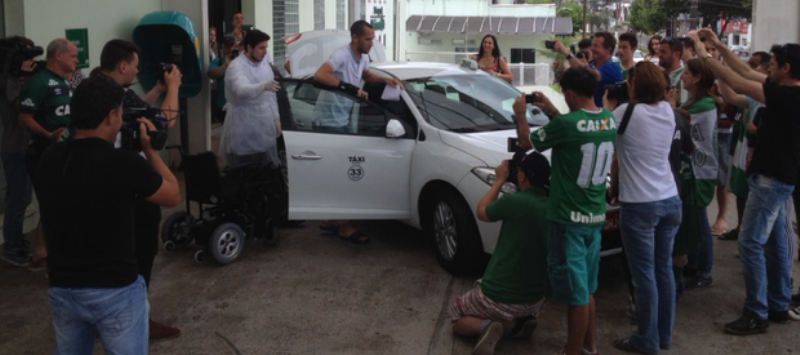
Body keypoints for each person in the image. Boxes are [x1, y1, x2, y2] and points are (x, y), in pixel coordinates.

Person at [38, 75, 180, 355]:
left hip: (63, 288)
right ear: (110, 117)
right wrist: (150, 151)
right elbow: (173, 195)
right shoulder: (125, 164)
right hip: (115, 288)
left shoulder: (50, 157)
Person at [689, 29, 800, 334]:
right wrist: (720, 46)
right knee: (775, 241)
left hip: (771, 180)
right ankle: (777, 303)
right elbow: (745, 72)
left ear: (786, 68)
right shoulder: (787, 90)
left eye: (773, 63)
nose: (767, 69)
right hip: (777, 178)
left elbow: (738, 82)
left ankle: (756, 312)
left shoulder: (787, 96)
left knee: (751, 243)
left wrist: (701, 51)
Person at [514, 66, 616, 355]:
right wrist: (552, 111)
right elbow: (576, 130)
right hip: (594, 216)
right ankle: (589, 347)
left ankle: (572, 351)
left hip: (568, 219)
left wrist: (521, 112)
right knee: (587, 289)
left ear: (570, 93)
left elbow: (526, 142)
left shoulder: (568, 124)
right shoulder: (608, 119)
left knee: (576, 295)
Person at [95, 38, 183, 340]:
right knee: (141, 251)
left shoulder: (96, 88)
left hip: (96, 180)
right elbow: (163, 122)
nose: (135, 70)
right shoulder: (118, 94)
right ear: (123, 65)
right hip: (130, 182)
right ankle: (138, 319)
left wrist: (157, 90)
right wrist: (173, 87)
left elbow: (133, 112)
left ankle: (107, 318)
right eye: (134, 65)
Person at [606, 62, 682, 354]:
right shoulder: (667, 111)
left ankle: (646, 339)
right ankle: (663, 336)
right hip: (670, 200)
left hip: (640, 205)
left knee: (644, 276)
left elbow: (602, 134)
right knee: (663, 270)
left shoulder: (625, 112)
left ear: (635, 85)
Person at [449, 151, 551, 355]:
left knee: (456, 316)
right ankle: (522, 320)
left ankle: (488, 326)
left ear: (522, 176)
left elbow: (482, 211)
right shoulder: (552, 204)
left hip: (499, 296)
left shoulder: (515, 202)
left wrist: (500, 179)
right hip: (536, 298)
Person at [312, 20, 402, 245]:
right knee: (344, 173)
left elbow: (367, 75)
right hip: (327, 121)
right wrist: (349, 88)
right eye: (368, 39)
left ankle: (331, 219)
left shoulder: (362, 57)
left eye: (373, 38)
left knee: (337, 173)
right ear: (355, 38)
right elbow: (320, 75)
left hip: (342, 121)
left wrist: (385, 80)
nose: (372, 43)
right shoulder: (341, 55)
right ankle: (344, 226)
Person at [17, 38, 78, 271]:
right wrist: (48, 135)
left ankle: (42, 252)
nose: (77, 60)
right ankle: (44, 255)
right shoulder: (39, 82)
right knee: (53, 203)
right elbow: (24, 118)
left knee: (57, 202)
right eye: (73, 55)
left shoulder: (67, 82)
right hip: (43, 154)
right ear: (59, 56)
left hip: (66, 152)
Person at [716, 52, 772, 242]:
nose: (753, 73)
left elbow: (739, 83)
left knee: (775, 219)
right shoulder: (753, 98)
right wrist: (721, 74)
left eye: (759, 69)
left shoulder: (778, 98)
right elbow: (731, 95)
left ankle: (756, 243)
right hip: (746, 151)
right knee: (741, 191)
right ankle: (744, 231)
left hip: (769, 163)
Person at [675, 58, 718, 290]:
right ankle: (696, 262)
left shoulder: (703, 104)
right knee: (694, 218)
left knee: (700, 221)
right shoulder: (695, 101)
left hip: (702, 170)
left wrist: (667, 104)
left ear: (698, 77)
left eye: (687, 73)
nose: (682, 77)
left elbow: (680, 116)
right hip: (696, 168)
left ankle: (705, 270)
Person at [220, 29, 281, 171]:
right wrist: (263, 86)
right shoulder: (236, 67)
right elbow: (240, 90)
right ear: (249, 47)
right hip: (243, 126)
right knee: (244, 171)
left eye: (266, 47)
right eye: (261, 48)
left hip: (264, 125)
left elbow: (271, 96)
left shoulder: (265, 65)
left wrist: (276, 118)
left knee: (265, 169)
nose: (265, 52)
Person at [0, 36, 37, 267]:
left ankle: (16, 239)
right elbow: (22, 106)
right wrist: (25, 78)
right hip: (15, 147)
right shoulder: (10, 80)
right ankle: (11, 246)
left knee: (24, 196)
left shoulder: (17, 78)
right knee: (18, 197)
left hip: (25, 146)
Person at [553, 32, 623, 107]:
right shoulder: (592, 65)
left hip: (604, 116)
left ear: (608, 49)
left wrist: (566, 53)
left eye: (596, 46)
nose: (592, 48)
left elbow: (589, 74)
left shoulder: (613, 69)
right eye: (592, 45)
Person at [208, 35, 236, 124]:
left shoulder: (242, 60)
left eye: (232, 46)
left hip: (240, 105)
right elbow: (211, 74)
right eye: (227, 47)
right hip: (224, 104)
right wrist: (225, 65)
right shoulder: (218, 61)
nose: (230, 49)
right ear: (223, 48)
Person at [659, 37, 689, 107]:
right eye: (659, 52)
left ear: (676, 54)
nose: (660, 55)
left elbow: (683, 107)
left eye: (663, 52)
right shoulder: (660, 75)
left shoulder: (683, 77)